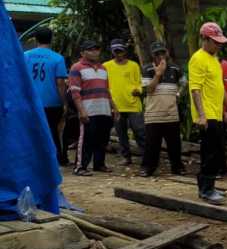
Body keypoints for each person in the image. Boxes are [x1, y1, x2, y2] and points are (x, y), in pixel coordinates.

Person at [189, 22, 227, 205]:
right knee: (209, 152)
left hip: (217, 113)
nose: (218, 45)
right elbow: (195, 89)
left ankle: (209, 186)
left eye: (220, 42)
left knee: (216, 152)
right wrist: (202, 115)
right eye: (215, 42)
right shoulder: (198, 59)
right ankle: (206, 190)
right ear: (204, 39)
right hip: (207, 115)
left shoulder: (214, 59)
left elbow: (219, 89)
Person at [69, 40, 118, 176]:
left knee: (102, 138)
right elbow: (75, 92)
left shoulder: (103, 68)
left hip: (104, 109)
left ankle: (99, 164)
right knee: (86, 139)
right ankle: (80, 167)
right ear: (83, 52)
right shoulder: (77, 68)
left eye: (96, 49)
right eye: (90, 49)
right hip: (88, 109)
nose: (95, 52)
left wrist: (114, 107)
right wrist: (81, 111)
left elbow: (106, 90)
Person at [140, 41, 185, 177]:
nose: (160, 56)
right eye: (157, 54)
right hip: (153, 114)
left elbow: (184, 82)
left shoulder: (175, 69)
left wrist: (179, 94)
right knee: (152, 144)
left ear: (167, 53)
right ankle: (148, 168)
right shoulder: (147, 69)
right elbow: (148, 89)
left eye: (162, 53)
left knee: (174, 144)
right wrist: (158, 74)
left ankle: (177, 167)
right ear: (152, 55)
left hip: (171, 113)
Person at [24, 27, 68, 165]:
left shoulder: (25, 56)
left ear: (36, 39)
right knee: (53, 130)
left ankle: (32, 159)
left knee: (31, 131)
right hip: (52, 102)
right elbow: (60, 82)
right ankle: (56, 159)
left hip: (30, 102)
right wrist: (64, 102)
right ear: (51, 39)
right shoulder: (57, 58)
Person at [104, 38, 145, 166]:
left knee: (139, 131)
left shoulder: (133, 65)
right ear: (112, 51)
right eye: (116, 51)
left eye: (120, 51)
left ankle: (146, 156)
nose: (118, 53)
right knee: (121, 133)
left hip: (133, 104)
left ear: (125, 51)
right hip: (116, 105)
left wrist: (138, 90)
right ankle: (126, 157)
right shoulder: (106, 66)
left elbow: (139, 82)